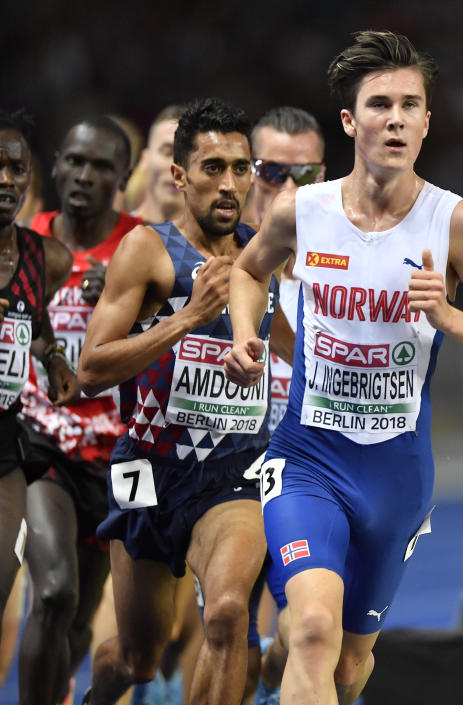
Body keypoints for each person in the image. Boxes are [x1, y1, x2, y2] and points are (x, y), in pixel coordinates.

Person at [224, 30, 463, 704]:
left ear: (428, 121)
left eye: (409, 105)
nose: (394, 118)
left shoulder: (457, 223)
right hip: (308, 456)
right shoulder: (303, 210)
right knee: (311, 627)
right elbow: (245, 273)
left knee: (346, 664)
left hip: (396, 471)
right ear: (350, 120)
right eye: (379, 104)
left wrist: (449, 316)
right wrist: (246, 332)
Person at [76, 97, 292, 705]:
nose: (230, 184)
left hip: (233, 475)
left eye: (241, 168)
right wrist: (189, 318)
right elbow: (92, 371)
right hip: (148, 470)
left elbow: (293, 349)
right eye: (213, 168)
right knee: (138, 661)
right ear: (178, 175)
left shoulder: (263, 255)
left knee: (226, 613)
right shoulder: (147, 250)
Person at [16, 115, 141, 705]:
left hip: (123, 457)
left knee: (87, 621)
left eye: (100, 166)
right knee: (52, 593)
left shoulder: (144, 247)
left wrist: (132, 302)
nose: (83, 176)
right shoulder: (22, 240)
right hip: (40, 442)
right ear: (57, 164)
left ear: (124, 176)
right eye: (73, 161)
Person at [241, 106, 326, 705]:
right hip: (218, 474)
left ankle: (276, 680)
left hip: (307, 474)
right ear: (245, 174)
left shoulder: (349, 268)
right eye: (272, 172)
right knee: (210, 636)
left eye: (306, 173)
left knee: (307, 633)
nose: (290, 189)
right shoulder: (207, 260)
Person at [0, 108, 78, 645]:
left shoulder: (46, 258)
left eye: (17, 168)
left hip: (5, 443)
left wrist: (53, 360)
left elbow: (36, 323)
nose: (6, 181)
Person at [132, 105, 185, 226]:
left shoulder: (214, 243)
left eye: (188, 156)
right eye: (167, 152)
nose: (177, 167)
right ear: (144, 159)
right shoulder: (113, 238)